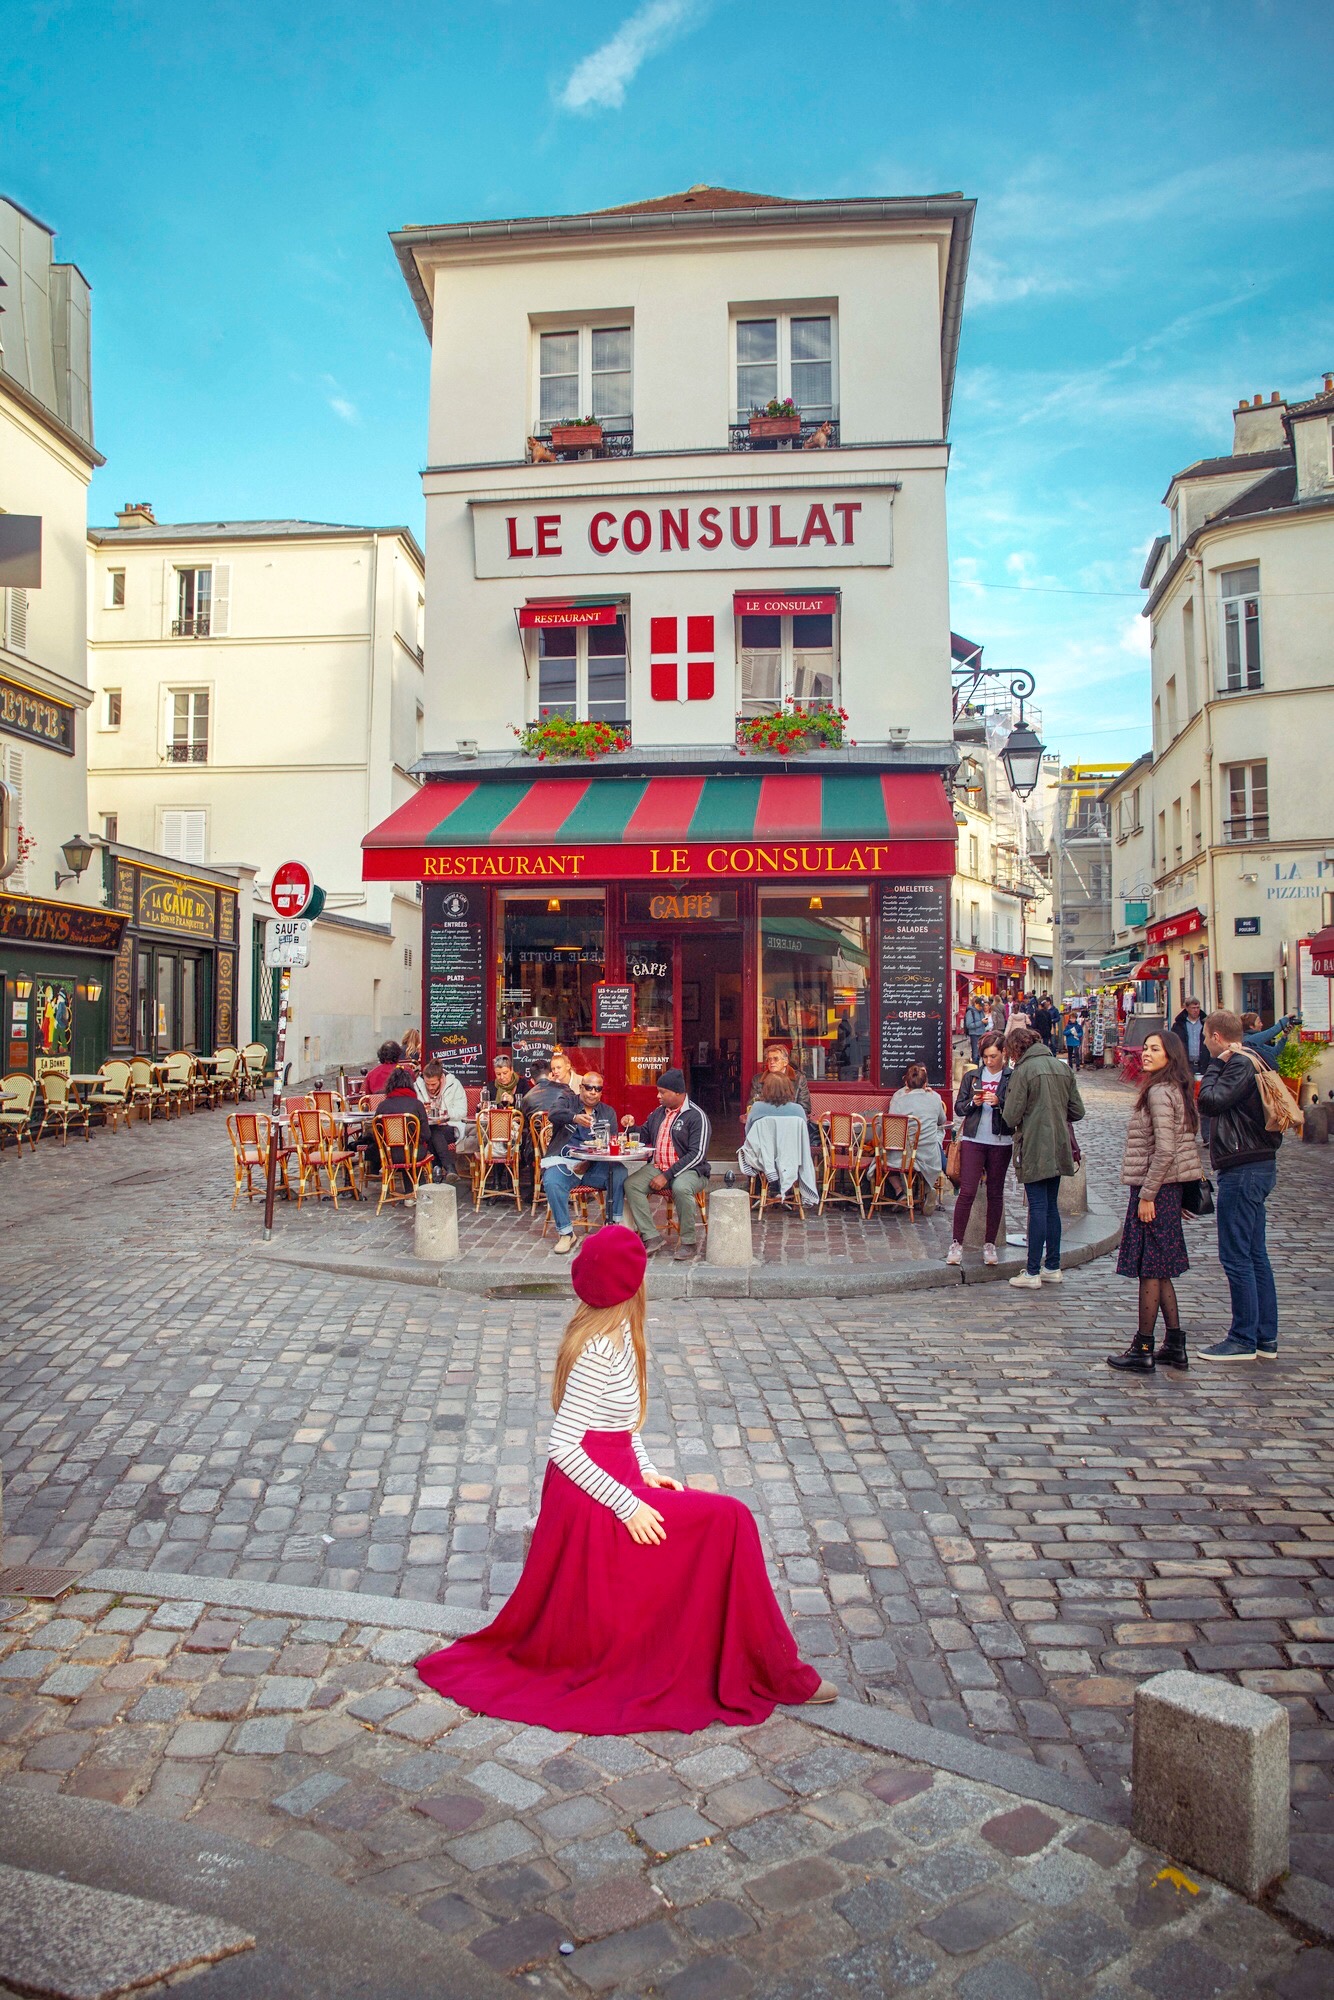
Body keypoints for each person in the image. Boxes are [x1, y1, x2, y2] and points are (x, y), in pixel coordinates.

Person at [415, 1226, 833, 1729]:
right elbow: (564, 1444)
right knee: (732, 1520)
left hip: (614, 1479)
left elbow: (622, 1427)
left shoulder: (616, 1338)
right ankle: (771, 1669)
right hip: (592, 1496)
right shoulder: (598, 1352)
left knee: (723, 1523)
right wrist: (627, 1503)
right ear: (634, 1286)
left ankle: (750, 1658)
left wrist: (649, 1475)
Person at [1106, 1029, 1206, 1374]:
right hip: (1166, 1188)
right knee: (1160, 1269)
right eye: (1145, 1048)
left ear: (1170, 1055)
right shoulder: (1173, 1088)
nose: (1146, 1054)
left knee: (1151, 1268)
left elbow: (1165, 1149)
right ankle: (1175, 1345)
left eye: (1154, 1049)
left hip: (1155, 1189)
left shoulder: (1160, 1092)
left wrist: (1148, 1194)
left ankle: (1143, 1348)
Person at [1195, 1009, 1283, 1361]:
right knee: (1255, 1254)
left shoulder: (1238, 1063)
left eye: (1205, 1037)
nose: (1203, 1043)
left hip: (1243, 1165)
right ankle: (1265, 1337)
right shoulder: (1257, 1057)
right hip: (1257, 1163)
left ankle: (1243, 1337)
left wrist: (1214, 1068)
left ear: (1217, 1037)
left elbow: (1211, 1101)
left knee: (1237, 1256)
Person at [1002, 1023, 1085, 1289]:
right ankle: (1053, 1266)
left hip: (1035, 1144)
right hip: (1059, 1144)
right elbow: (1078, 1110)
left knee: (1038, 1206)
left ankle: (1033, 1270)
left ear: (1016, 1049)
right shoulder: (1062, 1067)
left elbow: (1011, 1116)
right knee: (1051, 1207)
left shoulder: (1023, 1071)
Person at [622, 1068, 712, 1263]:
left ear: (678, 1093)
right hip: (660, 1166)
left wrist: (667, 1175)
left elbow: (697, 1155)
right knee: (631, 1184)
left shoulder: (696, 1116)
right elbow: (644, 1135)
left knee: (680, 1187)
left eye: (663, 1092)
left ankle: (689, 1243)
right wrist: (631, 1126)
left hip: (691, 1171)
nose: (658, 1096)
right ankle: (651, 1236)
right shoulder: (659, 1113)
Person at [541, 1069, 626, 1255]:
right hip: (565, 1162)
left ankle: (612, 1226)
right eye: (589, 1088)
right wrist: (574, 1118)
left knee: (619, 1172)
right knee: (552, 1181)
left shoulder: (607, 1112)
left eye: (598, 1089)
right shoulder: (567, 1101)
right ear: (581, 1088)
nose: (593, 1092)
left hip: (592, 1167)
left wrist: (587, 1163)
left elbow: (609, 1144)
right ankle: (566, 1233)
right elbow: (553, 1114)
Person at [946, 1033, 1012, 1267]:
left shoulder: (1011, 1077)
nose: (989, 1061)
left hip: (1001, 1141)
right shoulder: (972, 1077)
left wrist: (1000, 1103)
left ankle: (990, 1243)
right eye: (985, 1056)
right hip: (974, 1139)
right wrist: (973, 1103)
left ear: (1004, 1053)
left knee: (995, 1193)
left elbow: (1017, 1110)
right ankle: (956, 1243)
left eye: (993, 1056)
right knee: (967, 1191)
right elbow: (959, 1109)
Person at [739, 1071, 817, 1208]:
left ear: (766, 1089)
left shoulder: (757, 1108)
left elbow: (749, 1132)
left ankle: (771, 1178)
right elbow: (803, 1136)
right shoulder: (798, 1110)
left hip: (763, 1159)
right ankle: (783, 1184)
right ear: (789, 1089)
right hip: (791, 1158)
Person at [887, 1064, 947, 1213]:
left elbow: (893, 1126)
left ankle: (900, 1191)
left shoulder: (899, 1098)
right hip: (929, 1153)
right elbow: (942, 1120)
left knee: (882, 1157)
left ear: (906, 1082)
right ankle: (928, 1190)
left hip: (905, 1155)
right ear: (925, 1083)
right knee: (934, 1142)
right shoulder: (935, 1097)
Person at [372, 1064, 428, 1179]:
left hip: (389, 1155)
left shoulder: (382, 1106)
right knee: (415, 1147)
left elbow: (376, 1135)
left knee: (405, 1150)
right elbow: (426, 1134)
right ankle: (417, 1187)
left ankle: (410, 1190)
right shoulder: (417, 1104)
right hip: (414, 1154)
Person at [414, 1059, 467, 1180]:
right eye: (427, 1084)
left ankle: (436, 1169)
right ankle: (449, 1168)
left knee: (434, 1133)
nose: (430, 1087)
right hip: (426, 1129)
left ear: (441, 1079)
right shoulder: (417, 1086)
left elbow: (462, 1112)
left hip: (450, 1126)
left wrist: (445, 1113)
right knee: (433, 1132)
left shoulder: (454, 1085)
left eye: (433, 1084)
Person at [1171, 997, 1208, 1078]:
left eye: (1198, 1008)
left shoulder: (1205, 1024)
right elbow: (1174, 1044)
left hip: (1203, 1064)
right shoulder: (1179, 1025)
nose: (1196, 1010)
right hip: (1186, 1064)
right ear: (1187, 1008)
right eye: (1193, 1008)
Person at [963, 996, 989, 1064]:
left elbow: (984, 1023)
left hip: (982, 1034)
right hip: (974, 1035)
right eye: (980, 1006)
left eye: (982, 1006)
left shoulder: (981, 1012)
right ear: (976, 1004)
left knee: (983, 1053)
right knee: (975, 1055)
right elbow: (969, 1025)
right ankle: (975, 1069)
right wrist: (981, 1022)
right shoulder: (970, 1012)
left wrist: (986, 1023)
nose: (981, 1007)